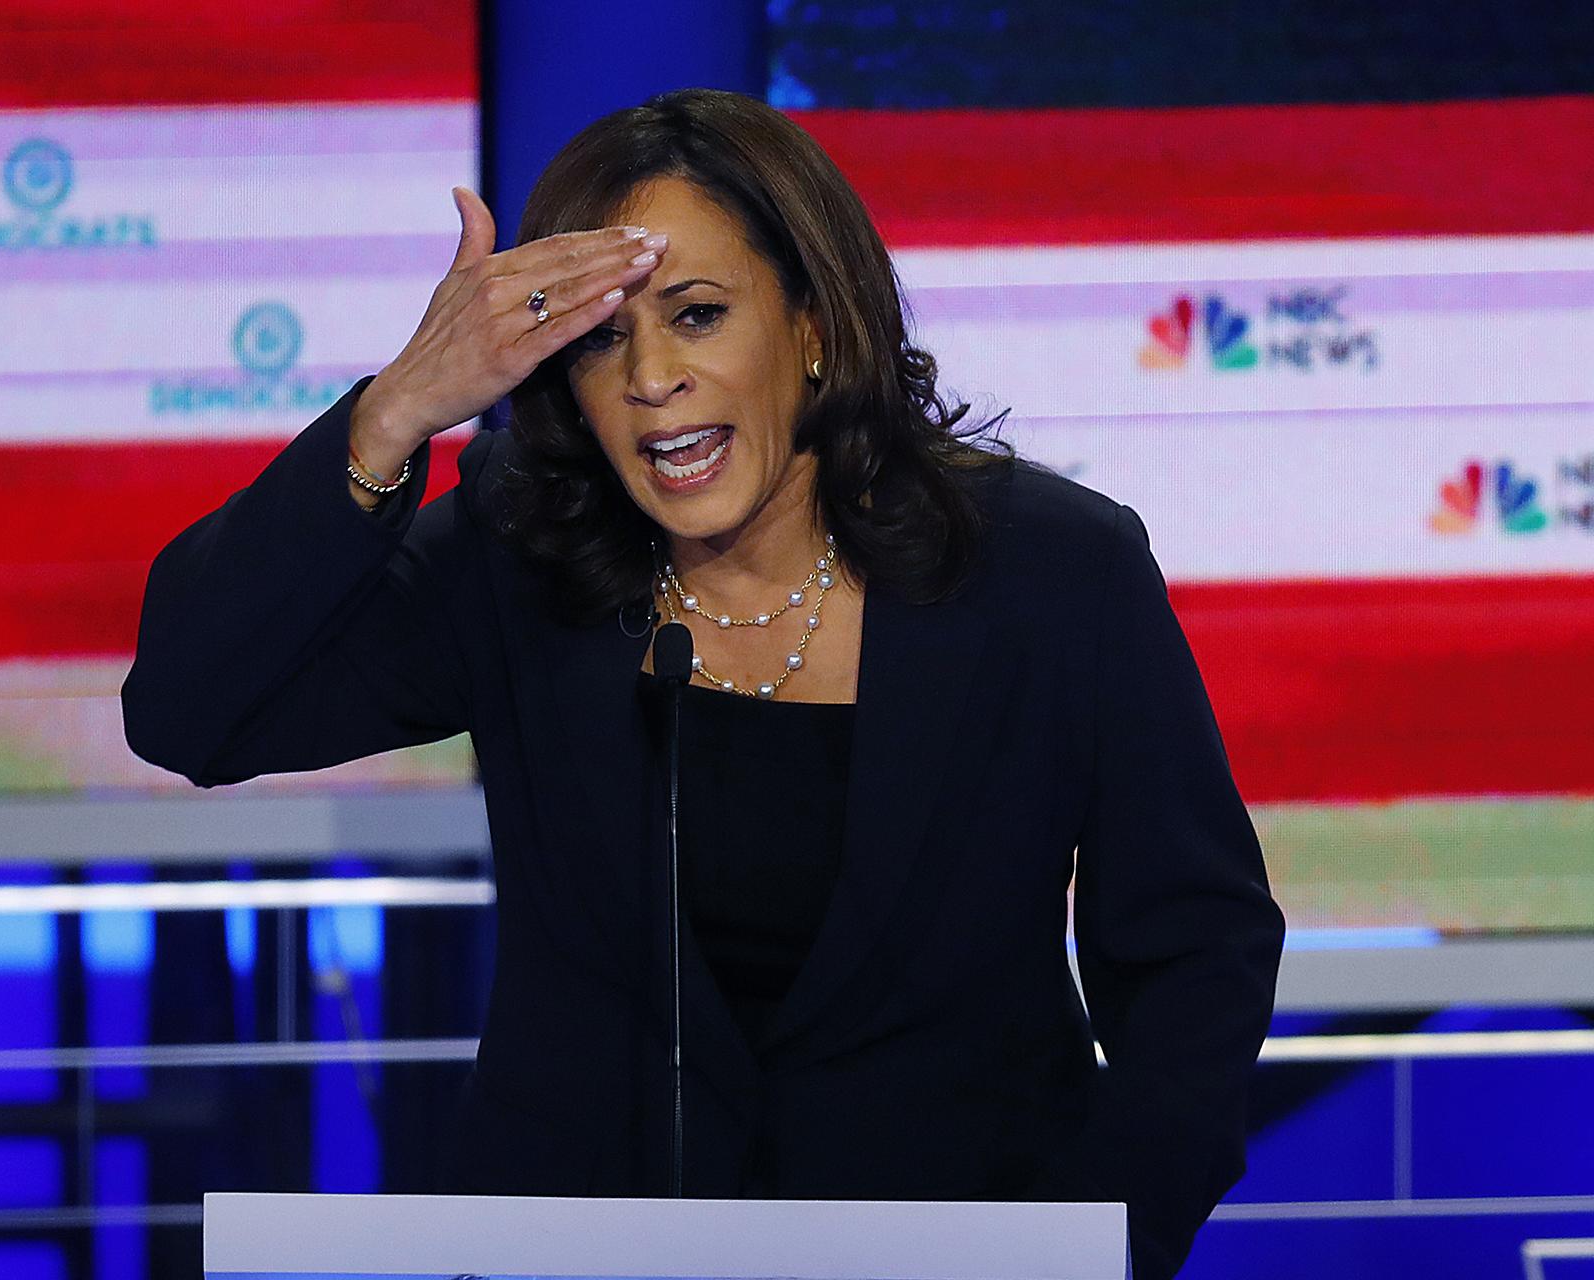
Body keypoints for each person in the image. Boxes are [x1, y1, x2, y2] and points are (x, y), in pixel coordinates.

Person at [121, 88, 1284, 1280]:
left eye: (698, 314)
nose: (651, 377)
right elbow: (190, 709)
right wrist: (396, 411)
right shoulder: (519, 559)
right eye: (603, 339)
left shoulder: (1047, 570)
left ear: (814, 324)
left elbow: (1198, 947)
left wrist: (1101, 1244)